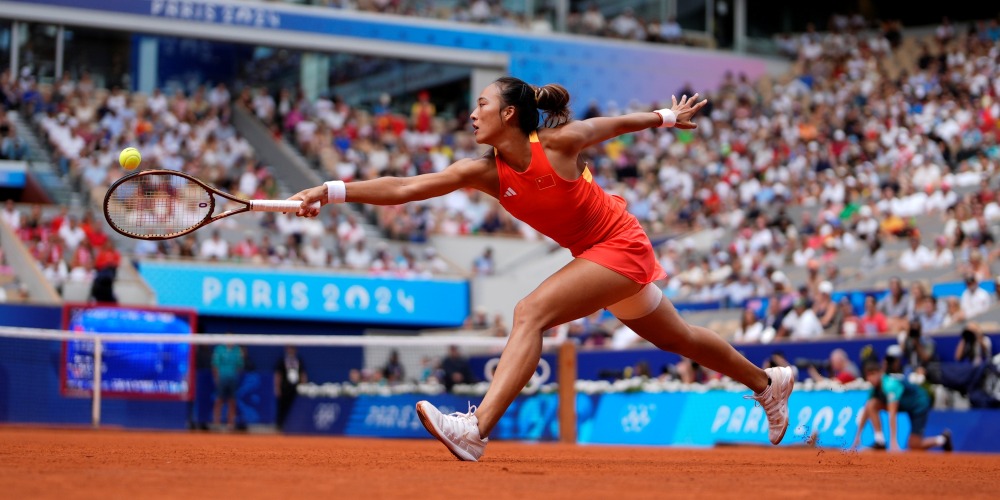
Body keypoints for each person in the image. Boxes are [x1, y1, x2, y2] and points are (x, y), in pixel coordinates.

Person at [289, 76, 794, 461]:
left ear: (509, 113)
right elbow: (404, 187)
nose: (471, 114)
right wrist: (327, 192)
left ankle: (476, 429)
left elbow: (612, 125)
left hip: (619, 243)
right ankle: (766, 383)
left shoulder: (556, 144)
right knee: (677, 338)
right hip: (593, 254)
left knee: (529, 312)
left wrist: (666, 116)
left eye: (481, 104)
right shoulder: (486, 173)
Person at [851, 359, 952, 452]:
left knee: (914, 444)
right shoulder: (874, 389)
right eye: (868, 375)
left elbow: (892, 414)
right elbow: (867, 410)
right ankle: (880, 441)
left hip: (919, 404)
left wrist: (893, 442)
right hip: (904, 405)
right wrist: (857, 436)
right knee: (871, 404)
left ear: (880, 373)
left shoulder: (890, 385)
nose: (871, 378)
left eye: (873, 374)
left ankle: (942, 439)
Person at [211, 338, 245, 431]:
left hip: (232, 379)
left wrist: (234, 375)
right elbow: (215, 365)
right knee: (219, 400)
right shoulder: (219, 349)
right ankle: (216, 423)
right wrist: (217, 377)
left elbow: (240, 365)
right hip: (222, 378)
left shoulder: (237, 350)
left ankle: (231, 424)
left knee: (232, 401)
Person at [274, 345, 307, 431]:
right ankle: (280, 426)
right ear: (287, 349)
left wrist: (304, 386)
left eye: (293, 349)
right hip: (284, 387)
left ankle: (293, 426)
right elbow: (278, 375)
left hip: (296, 388)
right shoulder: (282, 360)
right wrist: (277, 387)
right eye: (290, 348)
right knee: (282, 407)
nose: (291, 350)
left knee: (294, 407)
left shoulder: (299, 361)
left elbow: (303, 374)